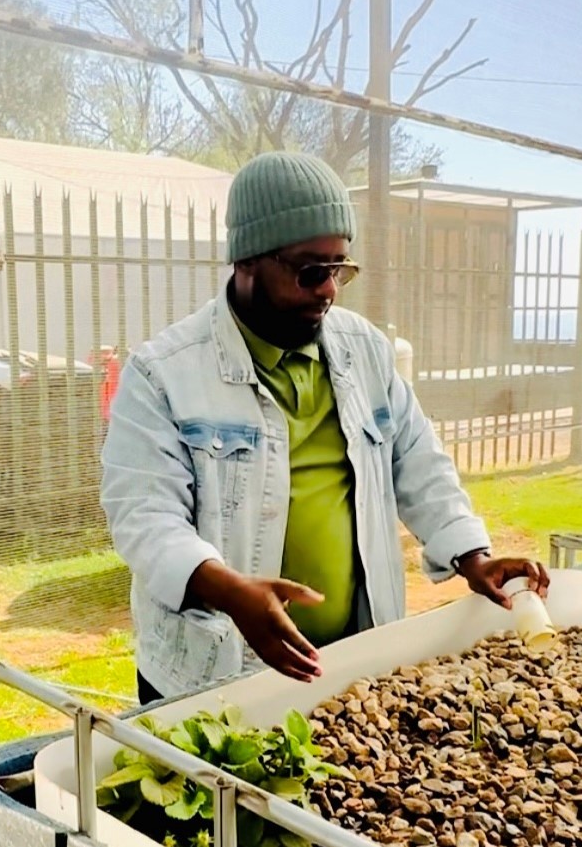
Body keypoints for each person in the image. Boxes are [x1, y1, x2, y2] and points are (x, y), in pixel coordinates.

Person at [101, 151, 549, 704]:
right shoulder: (163, 373)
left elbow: (419, 463)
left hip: (351, 666)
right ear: (246, 261)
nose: (329, 290)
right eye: (311, 272)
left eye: (340, 270)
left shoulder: (365, 351)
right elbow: (144, 518)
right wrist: (230, 591)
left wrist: (472, 556)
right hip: (211, 676)